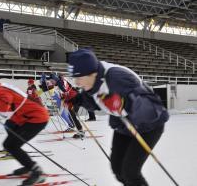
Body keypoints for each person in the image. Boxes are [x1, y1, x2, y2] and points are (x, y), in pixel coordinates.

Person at [68, 48, 169, 186]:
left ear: (92, 73)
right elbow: (93, 102)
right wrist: (76, 100)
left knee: (130, 172)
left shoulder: (117, 77)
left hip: (149, 125)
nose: (77, 83)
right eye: (75, 78)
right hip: (124, 125)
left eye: (79, 78)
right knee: (117, 169)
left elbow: (148, 106)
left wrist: (124, 104)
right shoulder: (91, 83)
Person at [0, 76, 49, 186]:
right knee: (9, 128)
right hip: (25, 117)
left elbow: (4, 107)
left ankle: (37, 171)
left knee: (10, 145)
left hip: (36, 118)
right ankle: (28, 166)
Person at [48, 73, 86, 138]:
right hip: (71, 101)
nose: (52, 82)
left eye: (52, 81)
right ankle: (79, 130)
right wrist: (62, 104)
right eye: (51, 81)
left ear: (55, 79)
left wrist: (59, 84)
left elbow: (64, 88)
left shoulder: (62, 82)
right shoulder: (58, 86)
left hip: (76, 98)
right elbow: (62, 96)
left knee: (73, 114)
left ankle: (81, 131)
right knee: (71, 115)